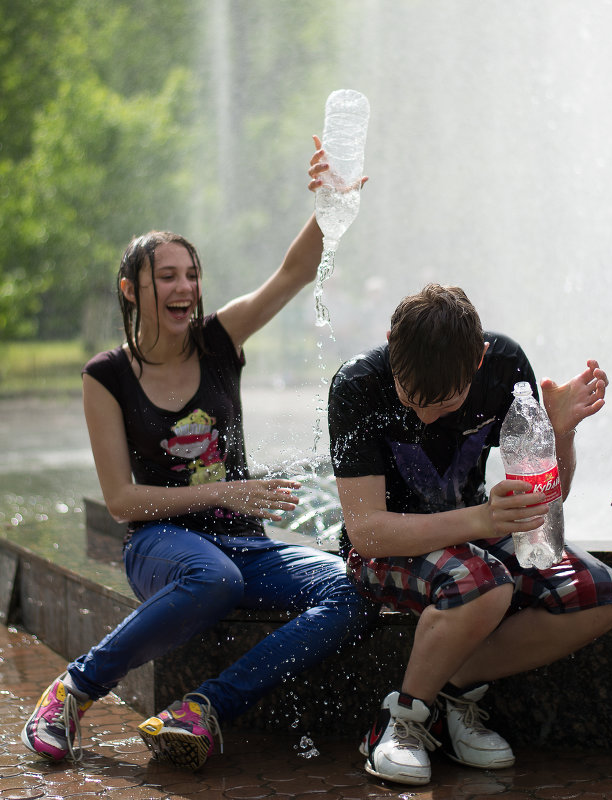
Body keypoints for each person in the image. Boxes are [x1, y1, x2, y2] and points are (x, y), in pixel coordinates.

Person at [21, 136, 374, 771]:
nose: (185, 287)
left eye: (192, 274)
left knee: (354, 588)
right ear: (132, 289)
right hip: (161, 545)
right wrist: (224, 491)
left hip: (246, 545)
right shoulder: (106, 376)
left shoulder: (218, 342)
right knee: (214, 578)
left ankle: (204, 709)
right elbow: (121, 500)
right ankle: (72, 693)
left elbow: (292, 275)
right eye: (167, 276)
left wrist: (331, 201)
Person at [328, 283, 612, 786]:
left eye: (445, 403)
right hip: (388, 549)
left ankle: (450, 693)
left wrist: (560, 434)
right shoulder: (357, 385)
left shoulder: (506, 366)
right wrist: (483, 521)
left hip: (472, 540)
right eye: (410, 397)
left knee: (599, 592)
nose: (425, 416)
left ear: (479, 360)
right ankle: (400, 719)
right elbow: (367, 534)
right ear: (389, 344)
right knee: (484, 581)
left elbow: (545, 508)